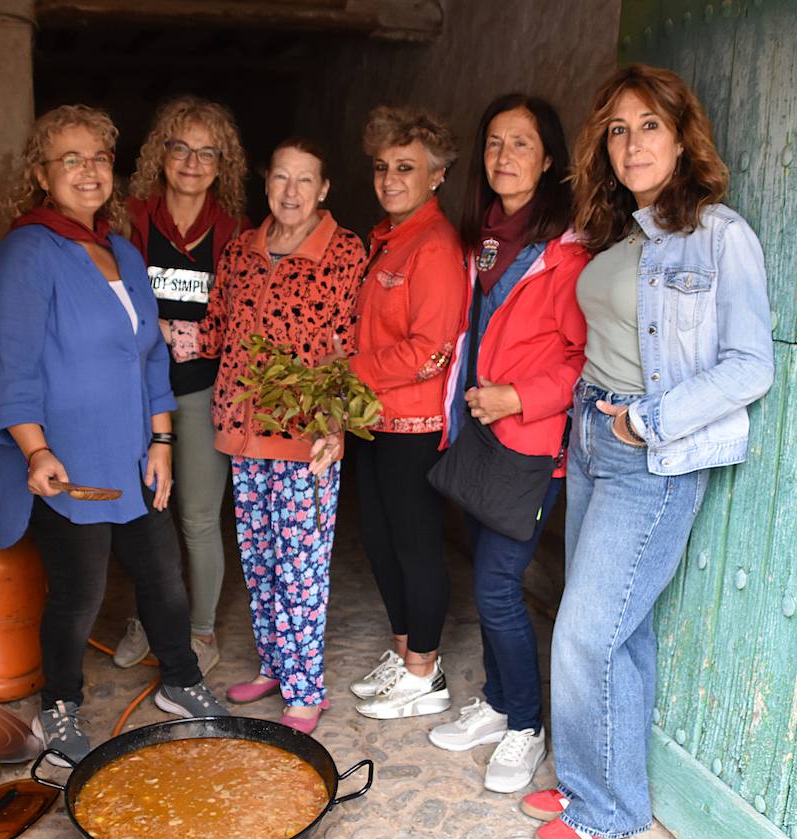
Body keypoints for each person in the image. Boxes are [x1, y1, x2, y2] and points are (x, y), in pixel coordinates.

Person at [525, 64, 774, 839]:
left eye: (650, 126)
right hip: (592, 435)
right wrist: (596, 422)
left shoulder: (721, 235)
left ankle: (603, 812)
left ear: (682, 136)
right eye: (619, 129)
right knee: (622, 637)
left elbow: (749, 365)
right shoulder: (623, 231)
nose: (632, 142)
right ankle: (602, 789)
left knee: (585, 633)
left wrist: (648, 421)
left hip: (652, 456)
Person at [0, 104, 228, 765]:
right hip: (70, 463)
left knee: (163, 577)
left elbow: (150, 357)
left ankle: (180, 680)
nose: (89, 171)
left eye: (99, 158)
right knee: (80, 592)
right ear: (40, 174)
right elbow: (11, 365)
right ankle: (57, 704)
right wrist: (36, 451)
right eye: (71, 159)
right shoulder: (27, 254)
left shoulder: (119, 250)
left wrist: (165, 444)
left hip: (133, 454)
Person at [172, 138, 365, 735]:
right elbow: (219, 329)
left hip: (306, 436)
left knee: (301, 564)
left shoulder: (344, 252)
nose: (290, 192)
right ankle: (276, 666)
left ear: (324, 189)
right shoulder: (242, 251)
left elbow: (348, 347)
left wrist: (336, 424)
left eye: (304, 180)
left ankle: (306, 692)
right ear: (267, 184)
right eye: (280, 177)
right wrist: (171, 334)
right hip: (241, 430)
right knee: (259, 561)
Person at [426, 94, 588, 794]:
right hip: (477, 435)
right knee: (489, 583)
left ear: (548, 159)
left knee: (495, 588)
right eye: (494, 142)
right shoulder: (481, 241)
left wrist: (518, 397)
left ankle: (525, 723)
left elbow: (584, 359)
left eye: (521, 144)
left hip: (530, 444)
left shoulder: (567, 254)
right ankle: (496, 704)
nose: (504, 156)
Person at [118, 96, 250, 677]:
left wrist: (202, 335)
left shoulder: (237, 233)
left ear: (223, 164)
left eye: (207, 152)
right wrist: (157, 326)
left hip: (200, 391)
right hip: (131, 393)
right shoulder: (131, 218)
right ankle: (146, 621)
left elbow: (248, 318)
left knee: (197, 518)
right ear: (160, 155)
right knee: (140, 515)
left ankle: (199, 631)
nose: (192, 162)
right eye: (180, 148)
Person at [344, 106, 465, 720]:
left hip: (413, 423)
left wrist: (348, 375)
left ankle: (427, 669)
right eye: (383, 167)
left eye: (406, 168)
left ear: (436, 174)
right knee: (381, 541)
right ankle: (402, 652)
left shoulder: (435, 246)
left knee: (415, 545)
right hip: (373, 420)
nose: (391, 179)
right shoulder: (386, 239)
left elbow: (431, 350)